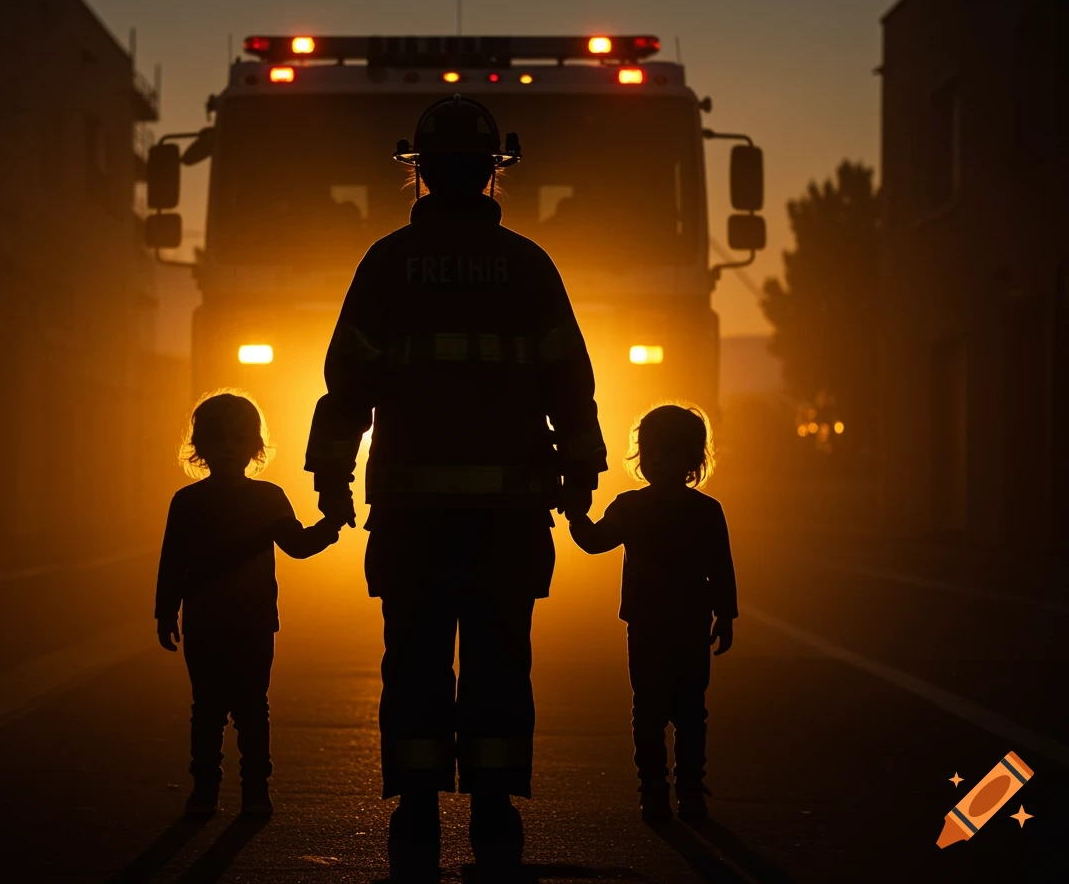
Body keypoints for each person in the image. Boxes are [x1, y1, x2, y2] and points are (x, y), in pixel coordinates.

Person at [304, 95, 608, 872]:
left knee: (411, 659)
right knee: (501, 660)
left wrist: (332, 480)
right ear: (492, 175)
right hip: (508, 517)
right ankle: (496, 811)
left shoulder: (386, 264)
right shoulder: (529, 267)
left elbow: (345, 387)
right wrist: (580, 479)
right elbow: (570, 384)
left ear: (421, 174)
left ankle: (413, 812)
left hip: (410, 516)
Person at [155, 391, 344, 816]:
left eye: (237, 439)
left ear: (253, 447)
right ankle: (239, 792)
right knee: (232, 709)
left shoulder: (192, 501)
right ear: (201, 446)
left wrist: (327, 528)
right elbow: (172, 561)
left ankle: (224, 792)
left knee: (231, 708)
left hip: (226, 621)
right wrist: (165, 610)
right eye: (219, 438)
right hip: (240, 621)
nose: (228, 447)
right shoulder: (262, 497)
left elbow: (294, 545)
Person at [567, 404, 737, 823]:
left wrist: (574, 513)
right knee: (681, 710)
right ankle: (676, 791)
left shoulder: (632, 506)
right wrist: (726, 613)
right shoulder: (704, 510)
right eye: (653, 451)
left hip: (653, 625)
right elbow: (721, 569)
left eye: (668, 452)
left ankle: (664, 791)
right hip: (679, 625)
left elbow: (593, 541)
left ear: (692, 460)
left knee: (658, 709)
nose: (658, 460)